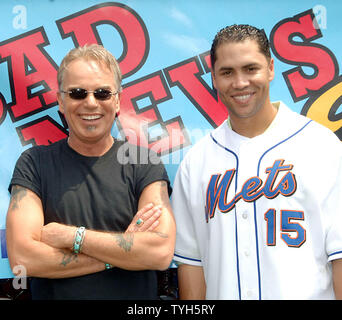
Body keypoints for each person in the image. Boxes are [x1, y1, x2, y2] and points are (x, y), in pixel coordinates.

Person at [171, 24, 342, 300]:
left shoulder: (322, 146)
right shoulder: (196, 162)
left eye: (251, 69)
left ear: (271, 68)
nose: (239, 83)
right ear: (213, 78)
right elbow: (192, 266)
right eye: (227, 72)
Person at [6, 44, 176, 300]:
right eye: (77, 93)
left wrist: (72, 237)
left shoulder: (144, 162)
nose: (90, 102)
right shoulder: (34, 164)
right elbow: (24, 259)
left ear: (117, 100)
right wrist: (121, 254)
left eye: (102, 93)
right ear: (61, 101)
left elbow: (159, 252)